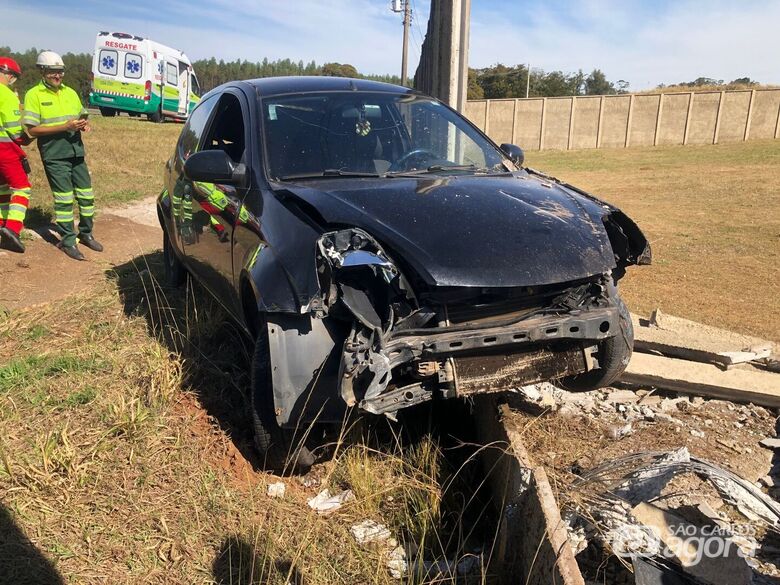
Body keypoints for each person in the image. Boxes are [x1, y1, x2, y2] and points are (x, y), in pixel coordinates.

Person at [23, 50, 102, 261]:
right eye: (52, 73)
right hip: (54, 155)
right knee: (64, 199)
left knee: (87, 195)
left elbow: (80, 115)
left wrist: (84, 125)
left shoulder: (70, 92)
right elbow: (32, 130)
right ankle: (68, 241)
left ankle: (86, 233)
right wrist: (63, 126)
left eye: (60, 72)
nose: (57, 76)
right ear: (42, 72)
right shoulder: (34, 95)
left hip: (76, 152)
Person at [0, 57, 32, 253]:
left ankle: (2, 223)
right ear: (9, 75)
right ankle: (12, 229)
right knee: (22, 188)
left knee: (2, 188)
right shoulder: (7, 95)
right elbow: (13, 129)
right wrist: (26, 138)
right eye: (14, 77)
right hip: (4, 149)